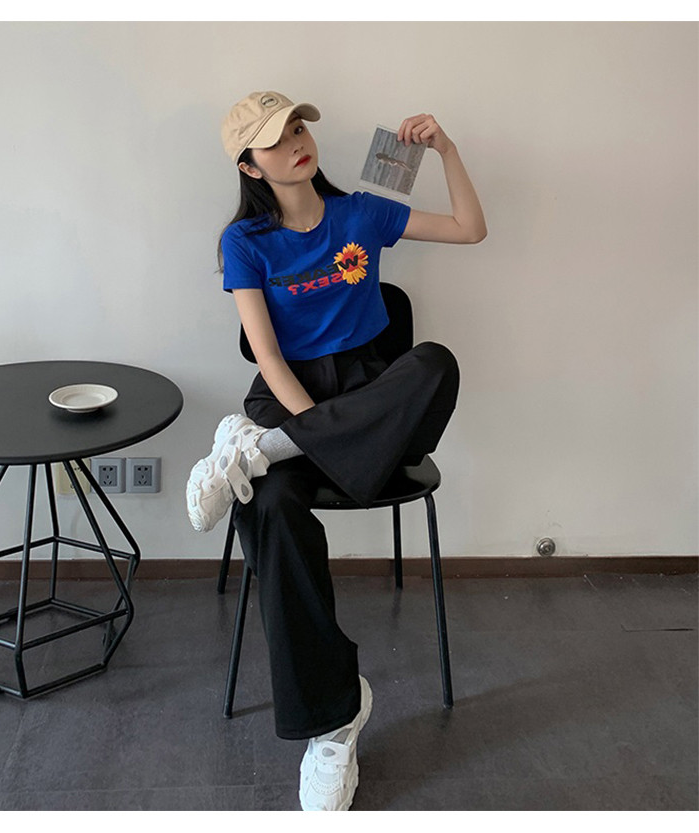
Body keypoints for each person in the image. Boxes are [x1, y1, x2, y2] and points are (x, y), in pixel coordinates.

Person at [186, 91, 486, 811]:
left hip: (374, 398)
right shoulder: (244, 244)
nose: (295, 141)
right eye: (274, 138)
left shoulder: (361, 213)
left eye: (297, 126)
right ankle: (333, 719)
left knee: (435, 362)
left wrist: (446, 149)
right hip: (290, 395)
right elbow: (267, 356)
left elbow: (471, 229)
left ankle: (258, 451)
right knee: (269, 510)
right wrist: (313, 425)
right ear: (250, 166)